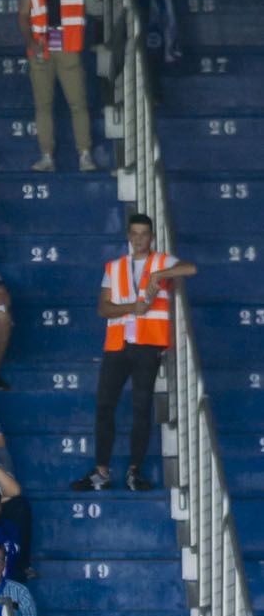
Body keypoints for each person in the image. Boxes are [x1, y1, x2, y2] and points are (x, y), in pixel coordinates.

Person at [73, 211, 197, 494]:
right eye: (135, 233)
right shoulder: (114, 266)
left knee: (142, 407)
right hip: (117, 344)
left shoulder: (161, 261)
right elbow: (103, 308)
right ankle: (101, 472)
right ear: (128, 236)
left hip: (148, 344)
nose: (139, 238)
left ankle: (134, 472)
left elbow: (191, 268)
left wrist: (159, 275)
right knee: (105, 405)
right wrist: (132, 308)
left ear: (151, 237)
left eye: (144, 234)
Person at [17, 0, 131, 175]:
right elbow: (23, 16)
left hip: (68, 47)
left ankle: (85, 155)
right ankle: (46, 156)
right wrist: (30, 42)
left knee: (78, 104)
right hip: (40, 48)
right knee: (43, 105)